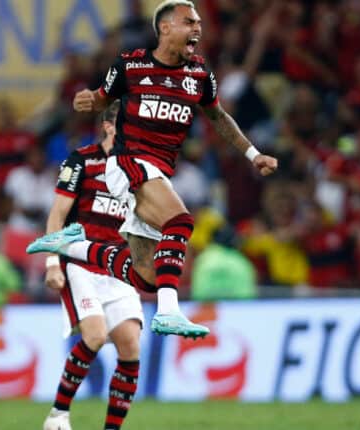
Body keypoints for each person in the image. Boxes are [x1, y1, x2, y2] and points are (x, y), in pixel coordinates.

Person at [28, 0, 278, 337]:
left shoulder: (200, 74)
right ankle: (168, 312)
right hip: (127, 162)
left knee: (144, 275)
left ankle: (71, 245)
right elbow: (103, 98)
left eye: (199, 23)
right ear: (165, 28)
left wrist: (253, 153)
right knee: (181, 221)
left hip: (159, 172)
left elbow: (218, 117)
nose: (198, 29)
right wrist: (88, 99)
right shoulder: (131, 66)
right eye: (189, 23)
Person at [42, 101, 145, 430]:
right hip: (80, 263)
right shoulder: (81, 161)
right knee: (96, 336)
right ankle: (58, 415)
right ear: (109, 126)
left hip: (117, 266)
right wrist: (51, 263)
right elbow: (57, 214)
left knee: (130, 345)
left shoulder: (137, 169)